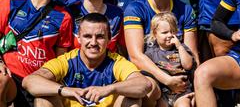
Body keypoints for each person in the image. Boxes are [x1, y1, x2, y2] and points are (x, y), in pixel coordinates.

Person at [22, 13, 151, 107]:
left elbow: (144, 84)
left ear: (109, 39)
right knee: (43, 99)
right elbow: (29, 81)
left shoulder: (116, 62)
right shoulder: (67, 61)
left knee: (132, 100)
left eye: (100, 36)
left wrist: (110, 89)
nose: (93, 42)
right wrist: (65, 90)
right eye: (87, 36)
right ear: (79, 38)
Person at [124, 0, 198, 105]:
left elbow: (193, 54)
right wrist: (167, 80)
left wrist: (197, 87)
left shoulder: (186, 9)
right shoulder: (135, 9)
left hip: (179, 75)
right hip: (150, 74)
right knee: (148, 89)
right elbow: (135, 56)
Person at [0, 0, 73, 107]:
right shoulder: (10, 3)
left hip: (38, 81)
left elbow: (61, 59)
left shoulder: (64, 16)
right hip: (11, 77)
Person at [144, 12, 196, 107]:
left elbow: (188, 65)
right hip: (163, 93)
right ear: (155, 34)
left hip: (182, 92)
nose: (169, 35)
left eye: (172, 31)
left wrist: (180, 47)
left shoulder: (181, 48)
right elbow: (146, 69)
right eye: (164, 32)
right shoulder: (151, 52)